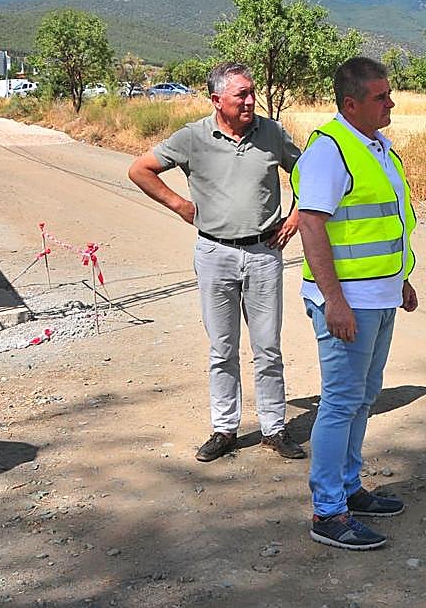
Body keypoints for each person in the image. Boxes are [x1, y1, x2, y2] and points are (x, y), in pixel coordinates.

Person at [128, 61, 306, 463]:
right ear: (216, 100)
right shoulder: (193, 137)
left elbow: (308, 172)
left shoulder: (272, 133)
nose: (250, 100)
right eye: (241, 94)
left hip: (263, 253)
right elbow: (140, 169)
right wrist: (178, 205)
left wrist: (295, 217)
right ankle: (225, 428)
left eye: (252, 92)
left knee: (268, 348)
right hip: (215, 254)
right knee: (222, 348)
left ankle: (274, 429)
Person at [293, 56, 418, 551]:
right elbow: (311, 226)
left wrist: (402, 280)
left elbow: (387, 223)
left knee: (364, 399)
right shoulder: (330, 152)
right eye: (380, 97)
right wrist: (334, 301)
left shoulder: (379, 148)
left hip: (380, 296)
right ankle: (328, 513)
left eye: (389, 94)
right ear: (351, 103)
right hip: (348, 304)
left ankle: (349, 488)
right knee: (341, 403)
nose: (391, 103)